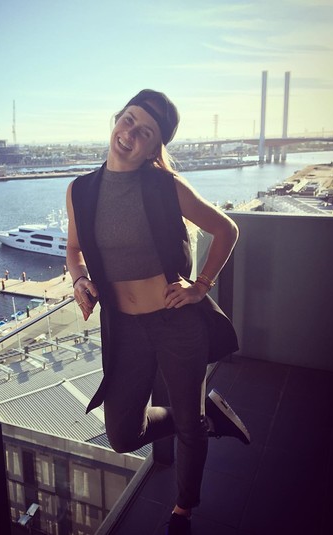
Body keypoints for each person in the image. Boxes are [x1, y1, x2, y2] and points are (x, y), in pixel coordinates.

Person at [66, 89, 250, 535]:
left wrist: (200, 286)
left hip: (177, 323)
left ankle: (183, 510)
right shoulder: (80, 190)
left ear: (154, 147)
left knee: (189, 427)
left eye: (145, 132)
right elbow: (73, 250)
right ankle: (207, 416)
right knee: (122, 435)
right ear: (117, 118)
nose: (130, 133)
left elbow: (226, 229)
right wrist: (79, 279)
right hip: (123, 330)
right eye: (129, 120)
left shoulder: (165, 186)